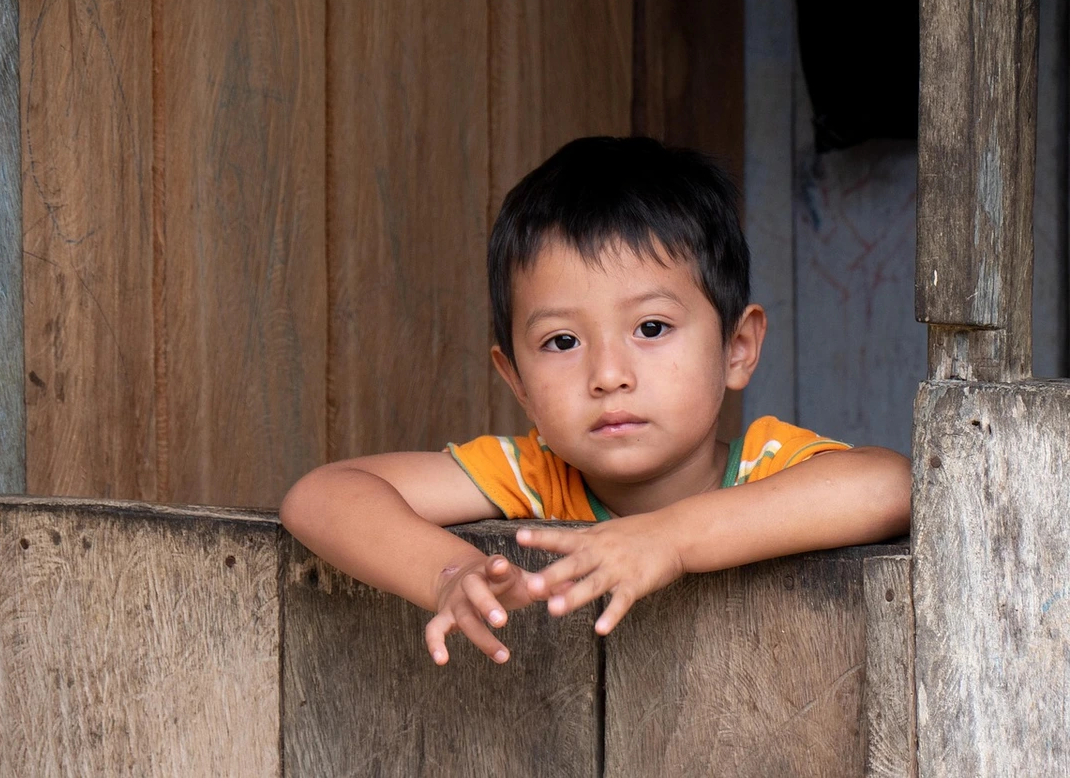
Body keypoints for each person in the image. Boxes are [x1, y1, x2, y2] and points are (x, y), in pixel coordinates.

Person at [280, 136, 911, 666]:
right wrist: (446, 574)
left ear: (737, 347)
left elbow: (891, 487)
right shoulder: (535, 477)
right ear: (517, 382)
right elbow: (323, 495)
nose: (608, 374)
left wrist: (671, 540)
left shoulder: (768, 466)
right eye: (561, 341)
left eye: (652, 328)